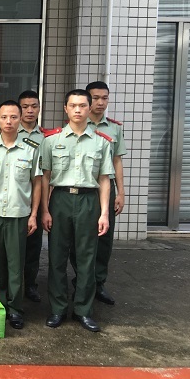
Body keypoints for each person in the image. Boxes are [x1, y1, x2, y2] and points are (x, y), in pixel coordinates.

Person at [41, 89, 113, 332]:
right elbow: (45, 177)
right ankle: (58, 308)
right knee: (57, 257)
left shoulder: (101, 142)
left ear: (89, 108)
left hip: (88, 201)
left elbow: (104, 179)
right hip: (60, 199)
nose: (78, 110)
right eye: (73, 105)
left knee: (86, 258)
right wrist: (45, 210)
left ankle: (83, 310)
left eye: (82, 105)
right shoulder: (52, 140)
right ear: (66, 108)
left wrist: (104, 213)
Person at [0, 101, 42, 330]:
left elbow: (37, 183)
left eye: (13, 117)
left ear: (20, 119)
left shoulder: (31, 148)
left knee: (15, 264)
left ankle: (15, 309)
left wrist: (33, 214)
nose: (9, 121)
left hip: (18, 214)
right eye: (4, 117)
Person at [69, 81, 127, 306]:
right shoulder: (75, 124)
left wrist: (120, 192)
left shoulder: (113, 128)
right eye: (95, 98)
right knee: (77, 239)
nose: (100, 102)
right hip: (80, 189)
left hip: (104, 188)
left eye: (105, 98)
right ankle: (81, 280)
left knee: (103, 238)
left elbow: (117, 161)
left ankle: (98, 283)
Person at [17, 89, 47, 303]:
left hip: (36, 197)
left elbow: (47, 173)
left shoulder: (47, 137)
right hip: (15, 196)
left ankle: (30, 284)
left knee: (33, 245)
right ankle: (14, 285)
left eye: (34, 106)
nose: (29, 110)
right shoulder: (10, 132)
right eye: (25, 107)